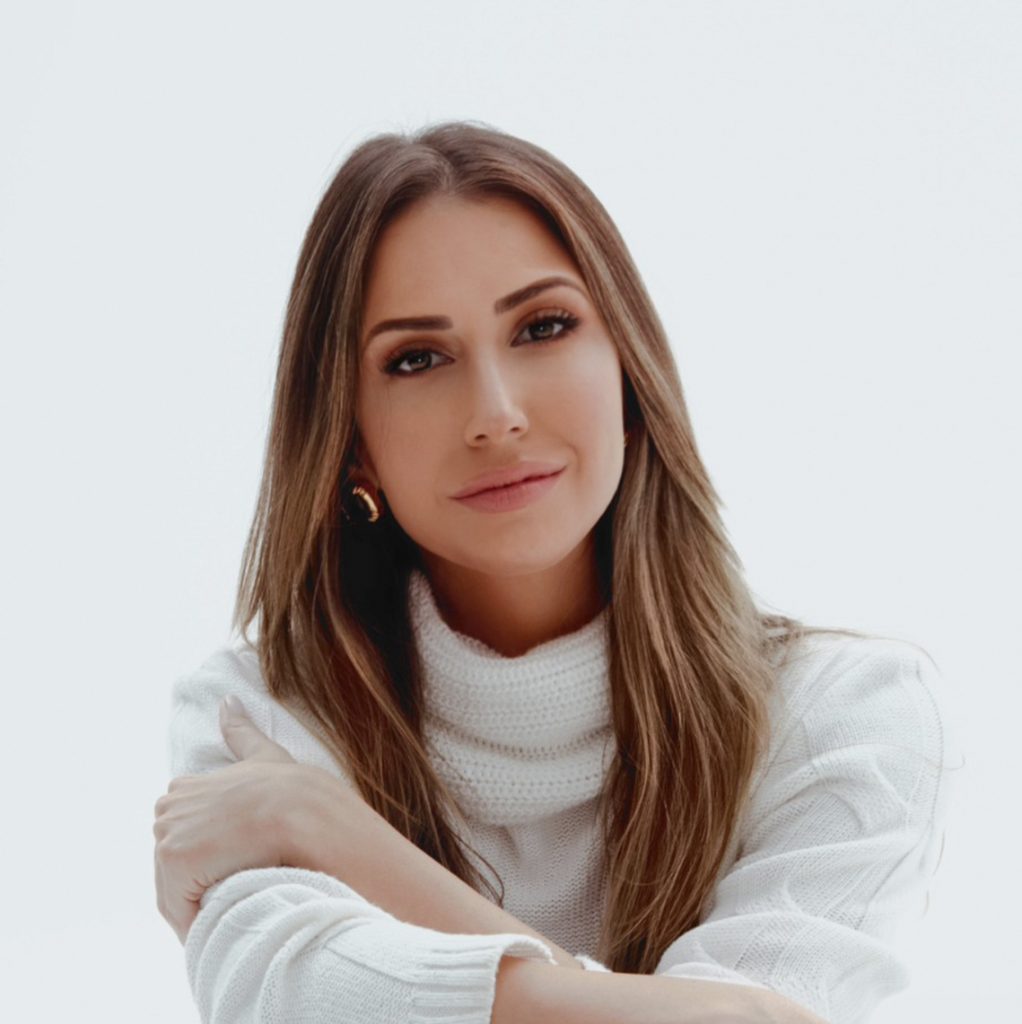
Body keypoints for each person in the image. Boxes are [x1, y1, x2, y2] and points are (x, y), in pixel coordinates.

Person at [153, 121, 959, 1024]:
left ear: (630, 377)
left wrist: (335, 833)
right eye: (417, 358)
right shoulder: (258, 722)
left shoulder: (842, 718)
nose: (495, 415)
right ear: (351, 444)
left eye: (543, 327)